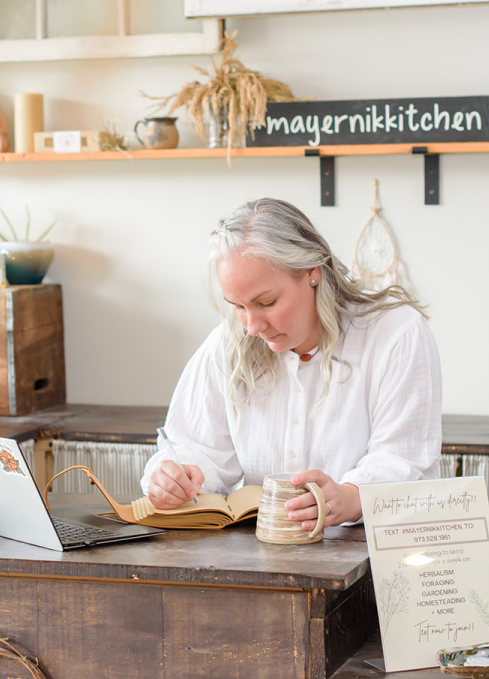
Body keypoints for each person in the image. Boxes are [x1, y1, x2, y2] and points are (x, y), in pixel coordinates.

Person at [140, 198, 442, 530]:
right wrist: (177, 476)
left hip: (372, 559)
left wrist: (351, 497)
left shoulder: (395, 334)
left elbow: (404, 459)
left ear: (312, 272)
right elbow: (196, 448)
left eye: (266, 302)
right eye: (238, 306)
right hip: (263, 558)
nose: (251, 326)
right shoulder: (229, 342)